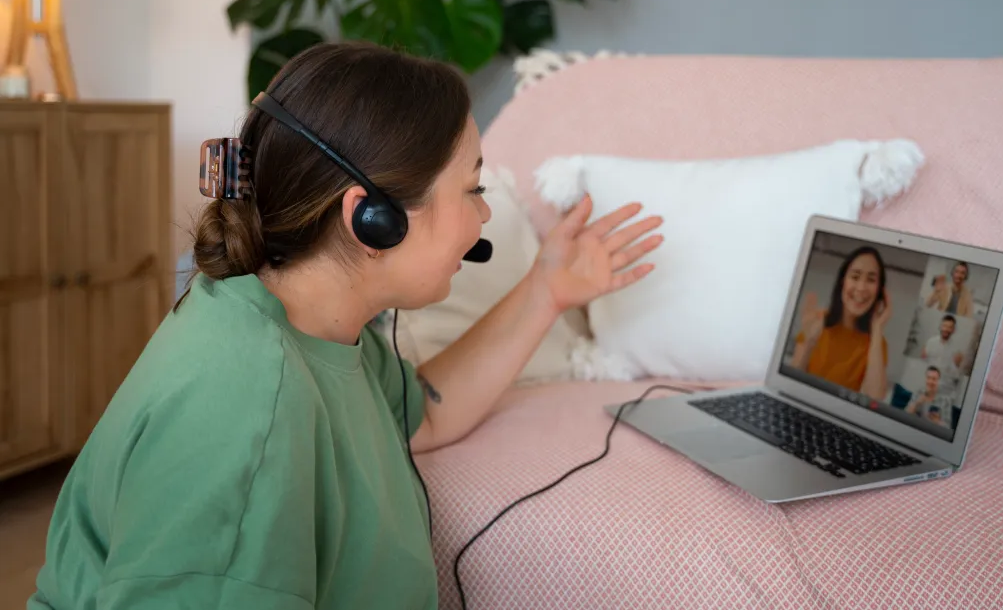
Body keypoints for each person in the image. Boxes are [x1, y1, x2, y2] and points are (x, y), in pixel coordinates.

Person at [28, 42, 664, 610]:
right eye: (472, 190)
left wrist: (545, 291)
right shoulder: (244, 408)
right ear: (372, 218)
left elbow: (427, 415)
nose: (483, 215)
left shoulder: (312, 330)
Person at [790, 246, 892, 400]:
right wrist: (809, 343)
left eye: (871, 280)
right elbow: (790, 384)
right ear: (842, 282)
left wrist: (877, 329)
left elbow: (875, 399)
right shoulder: (817, 321)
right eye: (855, 277)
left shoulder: (877, 343)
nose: (861, 288)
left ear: (879, 292)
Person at [920, 314, 965, 395]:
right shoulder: (930, 342)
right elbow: (923, 362)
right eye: (944, 326)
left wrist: (958, 365)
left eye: (950, 327)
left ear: (953, 330)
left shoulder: (958, 349)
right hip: (927, 387)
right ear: (940, 327)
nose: (946, 329)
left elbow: (957, 376)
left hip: (945, 390)